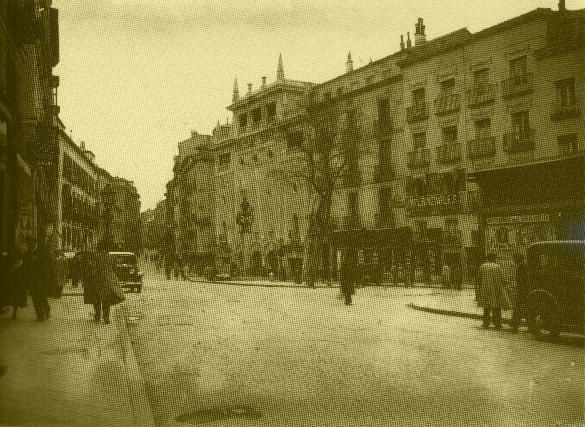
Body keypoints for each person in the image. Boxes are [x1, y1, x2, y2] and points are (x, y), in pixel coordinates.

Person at [83, 241, 122, 325]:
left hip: (97, 280)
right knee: (106, 300)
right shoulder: (112, 257)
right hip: (108, 281)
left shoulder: (96, 257)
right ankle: (106, 318)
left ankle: (97, 316)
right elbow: (115, 270)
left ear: (100, 249)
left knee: (96, 299)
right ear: (107, 249)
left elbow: (92, 269)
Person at [476, 252, 511, 329]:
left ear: (488, 258)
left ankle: (486, 323)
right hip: (496, 290)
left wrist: (480, 288)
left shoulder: (482, 266)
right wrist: (506, 284)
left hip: (485, 290)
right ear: (494, 258)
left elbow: (478, 279)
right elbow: (503, 279)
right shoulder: (497, 267)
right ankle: (497, 324)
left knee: (486, 308)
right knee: (497, 307)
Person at [27, 241, 51, 321]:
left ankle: (41, 314)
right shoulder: (42, 256)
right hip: (39, 281)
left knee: (37, 298)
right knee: (41, 298)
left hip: (38, 281)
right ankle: (44, 312)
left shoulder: (36, 257)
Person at [510, 253, 528, 333]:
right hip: (525, 289)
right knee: (526, 308)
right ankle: (531, 326)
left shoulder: (521, 266)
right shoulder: (525, 265)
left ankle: (514, 326)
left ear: (517, 259)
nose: (514, 260)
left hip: (523, 290)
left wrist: (518, 288)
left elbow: (520, 279)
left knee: (518, 308)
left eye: (514, 259)